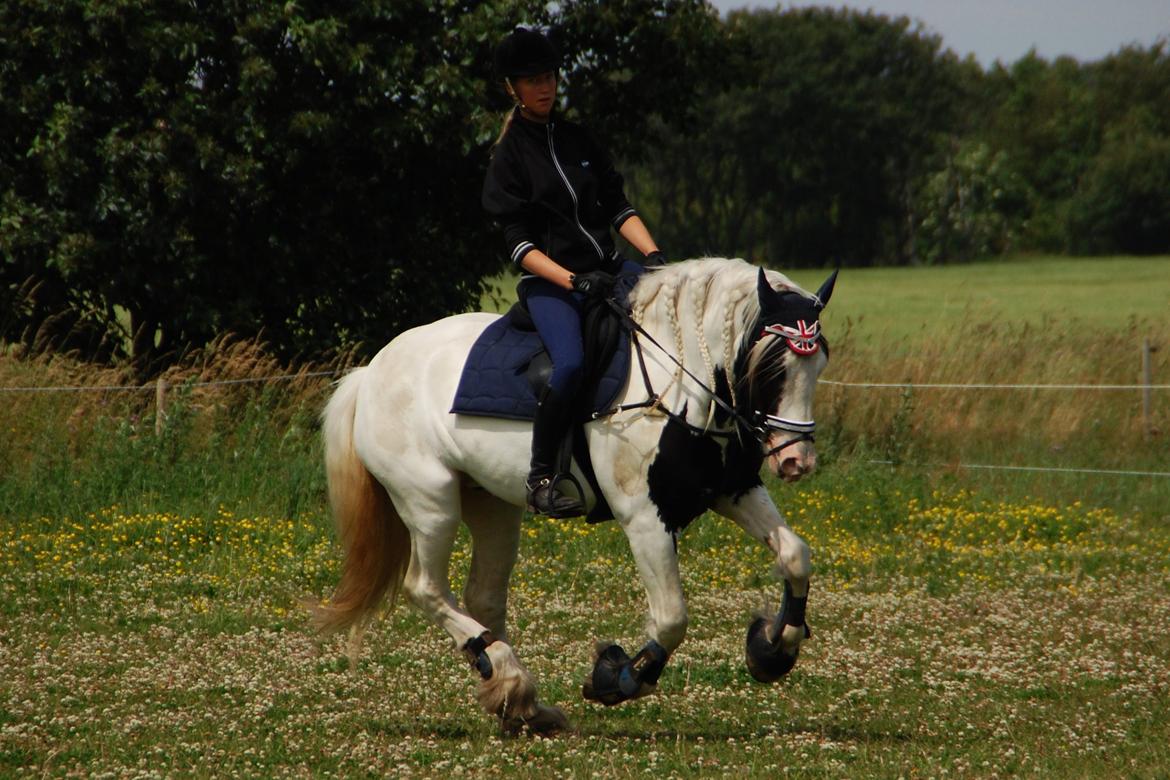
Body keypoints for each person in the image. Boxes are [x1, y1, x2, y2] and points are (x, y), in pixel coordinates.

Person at [482, 26, 666, 518]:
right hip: (550, 285)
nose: (544, 87)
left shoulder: (577, 138)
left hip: (607, 270)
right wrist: (571, 280)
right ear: (512, 88)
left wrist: (654, 257)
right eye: (531, 80)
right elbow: (519, 245)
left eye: (549, 77)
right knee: (569, 365)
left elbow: (619, 208)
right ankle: (542, 476)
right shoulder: (509, 156)